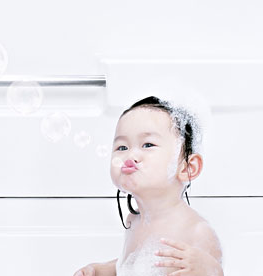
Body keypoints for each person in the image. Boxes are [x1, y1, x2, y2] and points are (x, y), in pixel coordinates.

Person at [73, 96, 223, 276]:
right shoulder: (134, 221)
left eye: (148, 144)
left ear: (187, 167)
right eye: (122, 147)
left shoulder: (197, 232)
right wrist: (100, 270)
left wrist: (212, 271)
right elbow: (132, 267)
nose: (131, 155)